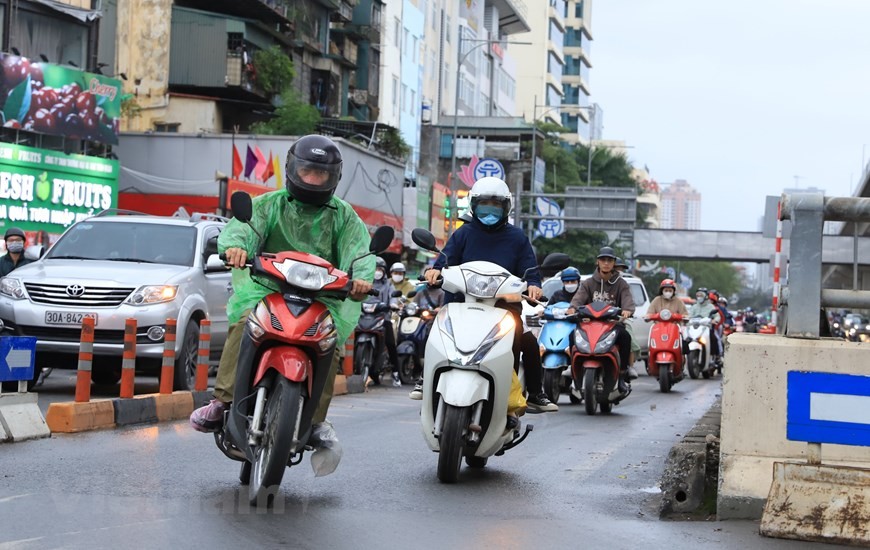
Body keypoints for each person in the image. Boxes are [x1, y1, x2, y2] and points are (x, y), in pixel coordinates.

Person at [190, 134, 375, 443]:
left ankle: (316, 420)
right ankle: (222, 401)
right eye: (308, 171)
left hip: (323, 298)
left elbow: (358, 252)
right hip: (265, 289)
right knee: (244, 323)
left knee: (330, 345)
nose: (314, 179)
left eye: (322, 174)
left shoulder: (345, 217)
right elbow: (241, 230)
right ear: (292, 169)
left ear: (335, 177)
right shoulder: (268, 204)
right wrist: (236, 248)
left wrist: (361, 278)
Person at [413, 176, 557, 413]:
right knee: (433, 330)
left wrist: (534, 286)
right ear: (473, 205)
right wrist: (434, 271)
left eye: (496, 204)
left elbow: (530, 270)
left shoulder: (518, 238)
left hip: (502, 308)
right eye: (484, 204)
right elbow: (444, 261)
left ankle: (535, 393)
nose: (490, 210)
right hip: (460, 304)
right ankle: (424, 377)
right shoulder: (463, 234)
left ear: (506, 207)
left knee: (527, 341)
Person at [568, 246, 636, 393]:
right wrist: (573, 308)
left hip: (613, 324)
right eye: (603, 260)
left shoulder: (621, 284)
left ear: (613, 263)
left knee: (625, 337)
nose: (606, 263)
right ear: (597, 262)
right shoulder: (588, 283)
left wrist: (627, 310)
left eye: (609, 260)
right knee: (572, 335)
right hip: (590, 324)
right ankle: (572, 369)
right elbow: (578, 299)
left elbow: (627, 300)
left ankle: (623, 374)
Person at [369, 256, 402, 387]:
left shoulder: (388, 285)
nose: (377, 272)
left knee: (390, 343)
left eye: (379, 269)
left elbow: (393, 297)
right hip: (365, 316)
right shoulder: (367, 282)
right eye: (375, 269)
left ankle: (395, 372)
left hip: (383, 317)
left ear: (383, 271)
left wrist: (393, 304)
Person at [646, 278, 690, 357]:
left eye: (670, 290)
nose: (668, 292)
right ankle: (650, 357)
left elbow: (685, 315)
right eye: (666, 290)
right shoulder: (656, 300)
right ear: (662, 291)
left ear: (673, 291)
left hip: (674, 329)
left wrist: (682, 317)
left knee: (684, 342)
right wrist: (649, 316)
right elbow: (649, 314)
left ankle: (681, 357)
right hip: (658, 329)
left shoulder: (678, 301)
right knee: (650, 345)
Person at [688, 287, 721, 363]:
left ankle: (714, 356)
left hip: (706, 328)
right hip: (694, 328)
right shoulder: (694, 307)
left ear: (706, 296)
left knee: (713, 339)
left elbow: (717, 316)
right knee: (686, 340)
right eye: (698, 295)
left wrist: (714, 320)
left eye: (701, 295)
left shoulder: (710, 307)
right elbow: (689, 316)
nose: (699, 297)